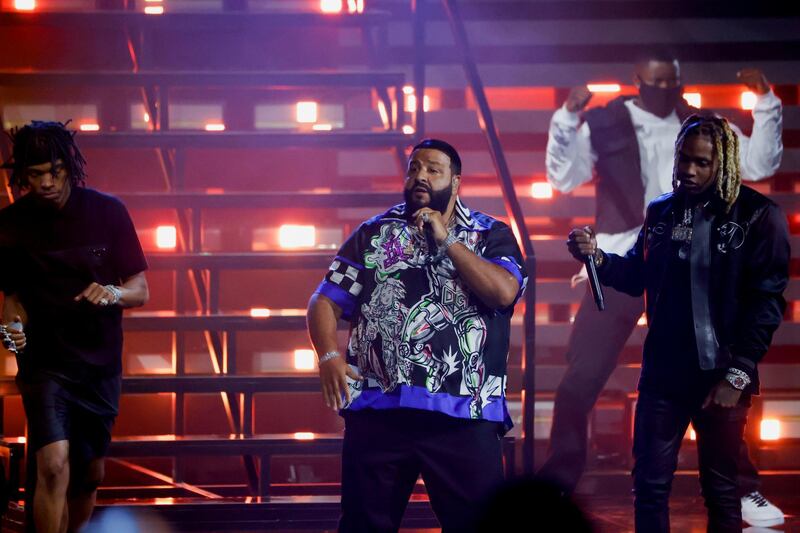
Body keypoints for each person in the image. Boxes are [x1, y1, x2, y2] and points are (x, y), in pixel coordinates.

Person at [539, 48, 785, 527]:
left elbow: (757, 166)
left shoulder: (704, 126)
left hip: (698, 268)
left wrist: (766, 105)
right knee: (581, 378)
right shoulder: (608, 124)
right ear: (637, 80)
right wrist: (567, 118)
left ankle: (744, 489)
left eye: (671, 83)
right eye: (654, 83)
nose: (690, 170)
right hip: (629, 256)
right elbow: (561, 176)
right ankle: (556, 485)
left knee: (716, 376)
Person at [306, 139, 527, 532]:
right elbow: (324, 301)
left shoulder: (490, 234)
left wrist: (447, 240)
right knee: (362, 526)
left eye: (433, 169)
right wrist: (328, 356)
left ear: (456, 183)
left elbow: (503, 292)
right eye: (414, 168)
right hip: (380, 409)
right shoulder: (373, 233)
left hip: (465, 414)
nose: (420, 176)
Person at [0, 121, 149, 533]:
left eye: (55, 171)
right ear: (22, 176)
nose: (46, 182)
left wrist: (112, 293)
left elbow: (140, 289)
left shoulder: (108, 212)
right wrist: (11, 327)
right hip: (45, 363)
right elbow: (12, 299)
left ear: (70, 165)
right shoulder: (10, 225)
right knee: (51, 465)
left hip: (99, 365)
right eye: (35, 174)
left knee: (88, 476)